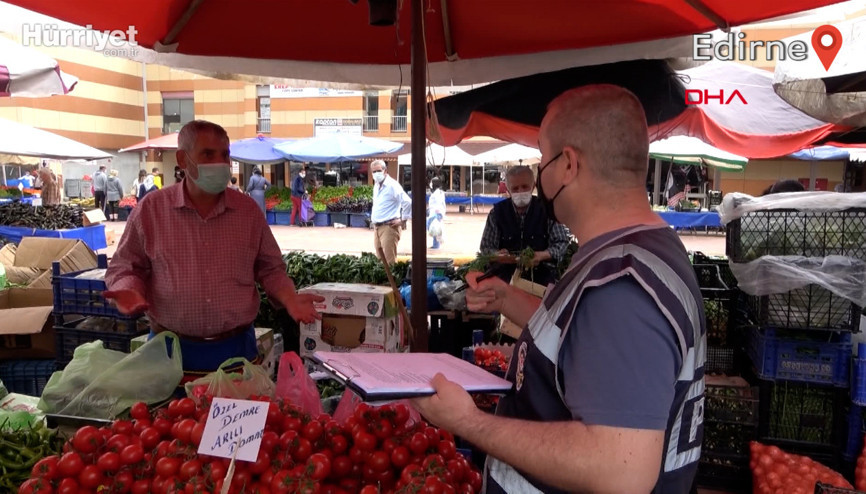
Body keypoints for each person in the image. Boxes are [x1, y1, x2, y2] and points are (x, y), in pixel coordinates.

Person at [413, 85, 706, 494]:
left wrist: (469, 423)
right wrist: (507, 298)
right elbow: (586, 338)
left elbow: (619, 470)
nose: (537, 176)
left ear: (568, 164)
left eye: (542, 158)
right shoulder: (639, 248)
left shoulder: (621, 284)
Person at [104, 120, 323, 379]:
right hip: (170, 353)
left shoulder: (247, 212)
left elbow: (271, 268)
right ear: (183, 160)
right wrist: (128, 287)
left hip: (236, 350)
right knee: (169, 420)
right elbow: (126, 265)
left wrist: (289, 298)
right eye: (208, 154)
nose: (220, 163)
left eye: (225, 155)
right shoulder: (151, 210)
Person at [480, 165, 570, 287]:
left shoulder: (546, 210)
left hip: (540, 277)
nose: (520, 192)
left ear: (533, 186)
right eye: (515, 189)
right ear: (507, 189)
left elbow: (562, 242)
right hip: (505, 278)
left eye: (525, 187)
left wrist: (541, 255)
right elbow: (486, 248)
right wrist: (497, 255)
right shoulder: (497, 213)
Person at [370, 159, 411, 265]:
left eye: (378, 171)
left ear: (385, 171)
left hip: (389, 227)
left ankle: (392, 281)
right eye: (373, 172)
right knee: (380, 261)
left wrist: (402, 220)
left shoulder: (392, 185)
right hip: (377, 227)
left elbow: (407, 202)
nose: (376, 174)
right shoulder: (376, 186)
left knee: (389, 262)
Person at [427, 177, 446, 249]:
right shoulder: (436, 192)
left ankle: (437, 243)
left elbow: (438, 203)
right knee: (434, 228)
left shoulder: (438, 193)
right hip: (433, 212)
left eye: (431, 182)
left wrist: (437, 214)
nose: (430, 184)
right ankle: (436, 244)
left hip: (436, 213)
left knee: (432, 227)